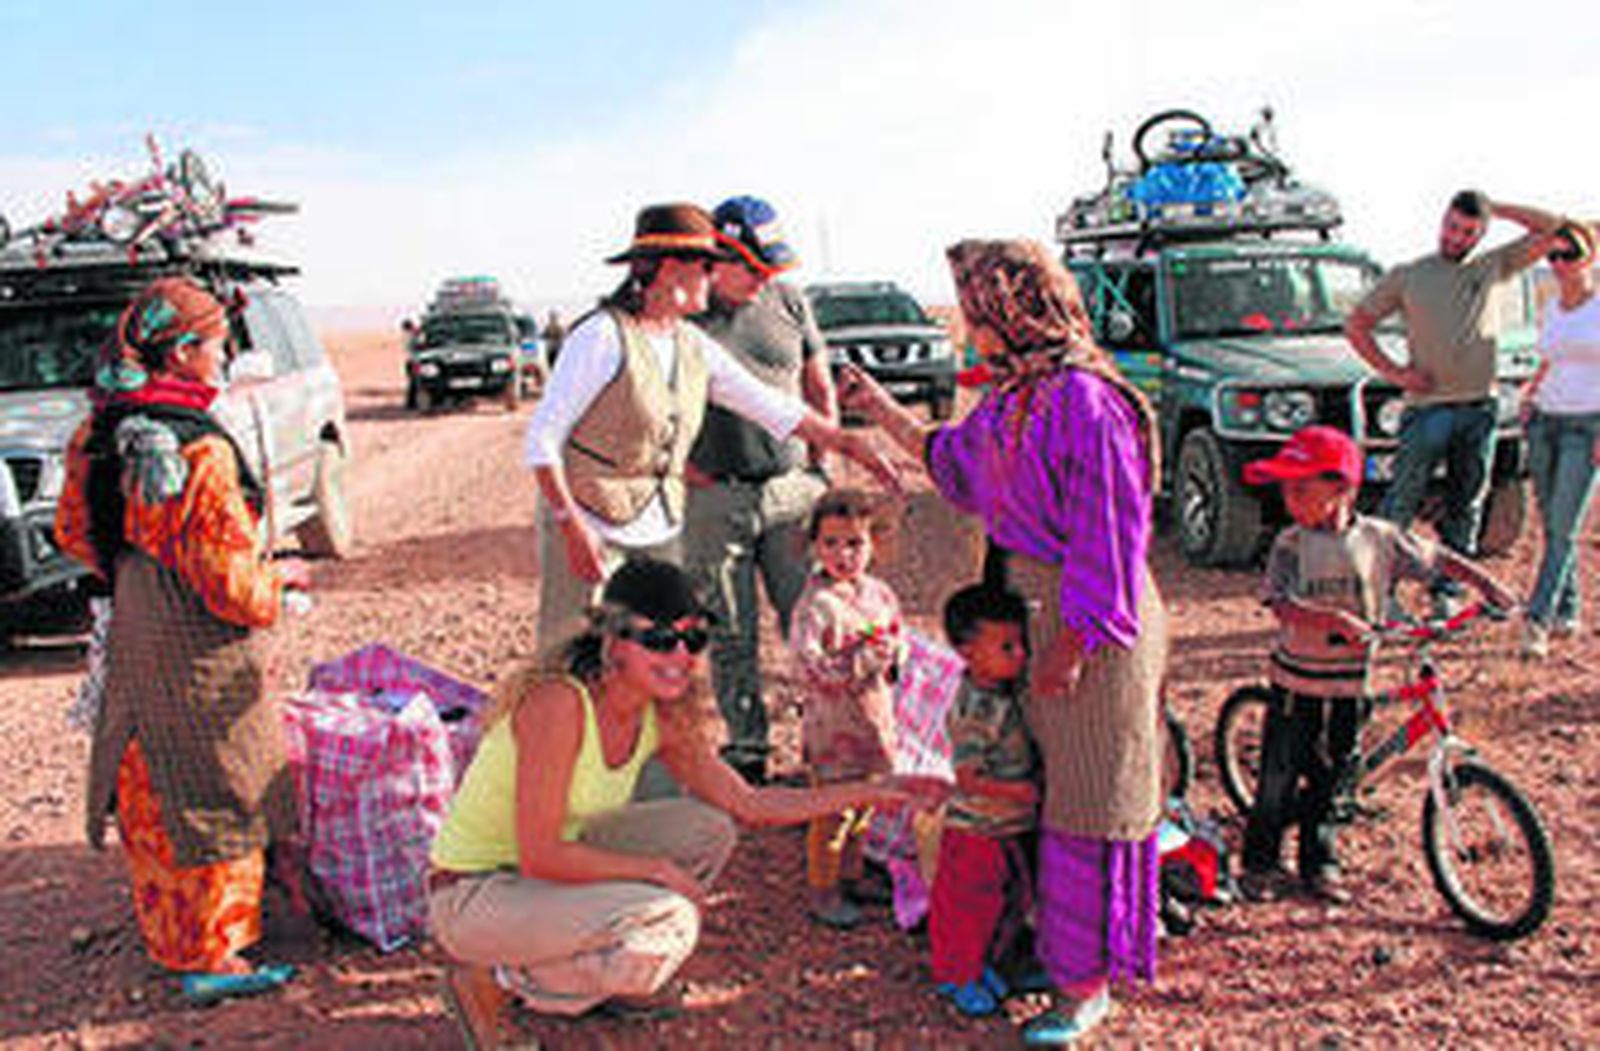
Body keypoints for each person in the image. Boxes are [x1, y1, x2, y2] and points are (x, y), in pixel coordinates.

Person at [839, 239, 1168, 1046]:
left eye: (977, 310)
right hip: (1032, 613)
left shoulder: (1086, 400)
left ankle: (1084, 986)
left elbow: (1110, 532)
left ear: (1011, 309)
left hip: (1093, 625)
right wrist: (877, 407)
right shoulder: (1016, 397)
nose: (970, 328)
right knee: (1027, 788)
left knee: (1087, 798)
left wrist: (1075, 643)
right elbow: (950, 461)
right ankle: (1042, 948)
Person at [427, 558, 942, 1047]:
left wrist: (877, 789)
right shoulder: (560, 703)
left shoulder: (658, 714)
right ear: (613, 641)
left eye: (693, 638)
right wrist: (655, 871)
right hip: (475, 894)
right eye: (659, 639)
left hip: (544, 877)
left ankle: (606, 977)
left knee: (707, 830)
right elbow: (541, 855)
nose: (681, 656)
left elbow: (750, 803)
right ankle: (493, 982)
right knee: (667, 923)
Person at [54, 277, 310, 1002]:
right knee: (215, 781)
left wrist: (134, 567)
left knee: (150, 780)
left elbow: (72, 532)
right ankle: (213, 957)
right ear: (182, 351)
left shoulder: (97, 431)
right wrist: (280, 582)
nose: (223, 358)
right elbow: (230, 585)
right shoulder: (200, 451)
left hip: (135, 623)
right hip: (198, 642)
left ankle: (171, 936)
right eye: (217, 346)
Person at [523, 202, 894, 649]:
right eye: (705, 265)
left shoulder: (691, 344)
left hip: (658, 528)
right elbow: (542, 440)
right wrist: (571, 527)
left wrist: (849, 443)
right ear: (669, 269)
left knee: (653, 654)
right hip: (589, 521)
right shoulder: (601, 336)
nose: (713, 275)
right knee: (573, 652)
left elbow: (770, 406)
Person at [1237, 425, 1514, 902]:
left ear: (1342, 490)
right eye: (1286, 489)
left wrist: (1486, 584)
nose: (1290, 499)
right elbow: (1279, 603)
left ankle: (1320, 861)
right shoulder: (1290, 544)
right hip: (1296, 684)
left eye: (1301, 489)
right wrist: (1330, 619)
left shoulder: (1379, 539)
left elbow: (1436, 558)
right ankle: (1260, 863)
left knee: (1336, 777)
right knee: (1278, 776)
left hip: (1351, 684)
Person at [1344, 191, 1564, 610]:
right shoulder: (1409, 276)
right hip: (1426, 409)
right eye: (1451, 227)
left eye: (1467, 232)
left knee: (1466, 505)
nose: (1455, 237)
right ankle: (1379, 593)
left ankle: (1448, 593)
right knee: (1401, 503)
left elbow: (1553, 228)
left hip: (1479, 408)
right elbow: (1357, 325)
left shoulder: (1493, 266)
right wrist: (1396, 373)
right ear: (1442, 221)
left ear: (1480, 233)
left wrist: (1496, 207)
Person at [684, 194, 837, 785]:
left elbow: (818, 385)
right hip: (715, 500)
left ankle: (828, 741)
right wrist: (684, 471)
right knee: (730, 631)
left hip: (791, 492)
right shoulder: (685, 315)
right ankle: (747, 749)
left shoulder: (789, 300)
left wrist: (822, 468)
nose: (764, 279)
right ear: (717, 258)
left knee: (813, 620)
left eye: (771, 267)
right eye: (753, 268)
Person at [787, 490, 905, 929]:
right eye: (831, 543)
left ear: (874, 544)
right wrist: (861, 662)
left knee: (865, 804)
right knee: (834, 810)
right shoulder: (816, 605)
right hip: (833, 728)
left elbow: (898, 634)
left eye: (855, 543)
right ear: (815, 546)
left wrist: (894, 654)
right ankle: (823, 888)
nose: (843, 554)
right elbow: (806, 665)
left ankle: (852, 875)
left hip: (873, 719)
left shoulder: (879, 594)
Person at [929, 583, 1038, 1018]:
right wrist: (1019, 791)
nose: (1020, 655)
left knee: (1000, 902)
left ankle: (979, 966)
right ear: (967, 651)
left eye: (1021, 644)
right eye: (1007, 647)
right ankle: (955, 975)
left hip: (1001, 827)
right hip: (975, 830)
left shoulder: (1000, 694)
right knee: (967, 907)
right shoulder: (975, 710)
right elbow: (968, 777)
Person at [1519, 221, 1600, 659]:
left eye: (1570, 255)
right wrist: (1529, 396)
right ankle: (1568, 610)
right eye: (1553, 256)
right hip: (1545, 420)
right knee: (1551, 522)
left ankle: (1537, 619)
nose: (1560, 264)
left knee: (1563, 527)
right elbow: (1550, 359)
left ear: (1590, 258)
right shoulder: (1551, 307)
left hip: (1586, 426)